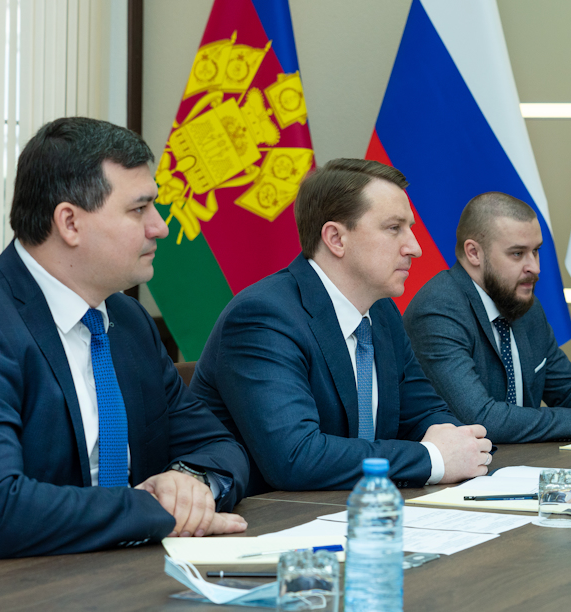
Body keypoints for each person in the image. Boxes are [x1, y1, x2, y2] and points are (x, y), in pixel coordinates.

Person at [0, 118, 250, 586]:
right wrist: (153, 508)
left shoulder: (128, 322)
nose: (161, 227)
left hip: (111, 581)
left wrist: (190, 484)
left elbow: (219, 447)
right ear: (70, 222)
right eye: (139, 209)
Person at [191, 158, 492, 496]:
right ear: (336, 238)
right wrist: (432, 459)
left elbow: (425, 414)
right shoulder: (263, 317)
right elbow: (296, 457)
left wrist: (461, 445)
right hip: (270, 517)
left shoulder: (381, 312)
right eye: (394, 228)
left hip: (357, 507)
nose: (415, 248)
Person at [403, 191, 571, 444]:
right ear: (474, 253)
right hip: (466, 467)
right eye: (517, 254)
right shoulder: (438, 310)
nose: (535, 267)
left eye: (536, 251)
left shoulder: (525, 306)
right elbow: (480, 419)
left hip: (525, 462)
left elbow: (568, 387)